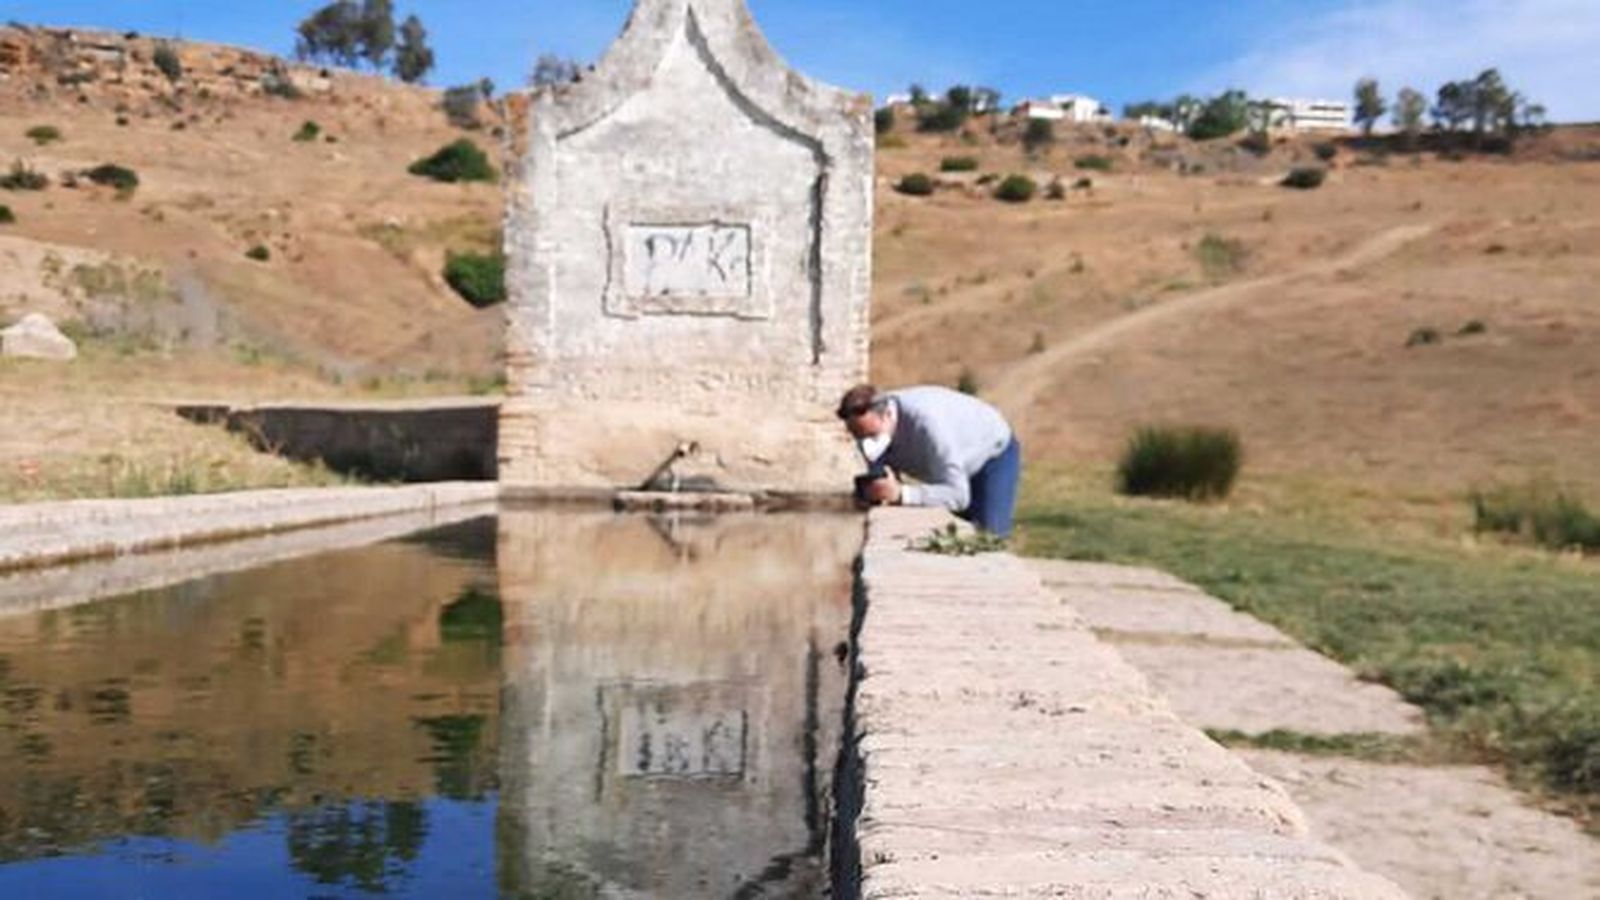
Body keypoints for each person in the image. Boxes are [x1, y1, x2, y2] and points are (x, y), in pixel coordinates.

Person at [836, 383, 1022, 538]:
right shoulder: (872, 430)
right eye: (857, 436)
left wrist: (902, 494)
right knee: (955, 537)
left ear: (887, 416)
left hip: (991, 454)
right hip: (951, 464)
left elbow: (958, 496)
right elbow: (885, 489)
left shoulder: (929, 427)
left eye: (871, 435)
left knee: (988, 538)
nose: (865, 444)